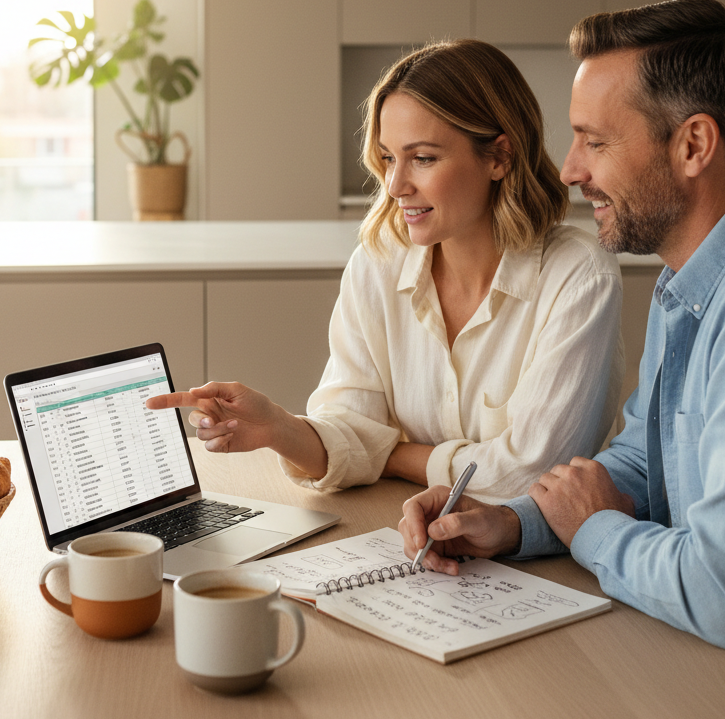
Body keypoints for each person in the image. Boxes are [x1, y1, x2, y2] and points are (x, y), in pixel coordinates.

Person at [398, 0, 725, 719]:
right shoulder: (693, 278)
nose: (568, 169)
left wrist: (593, 532)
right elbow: (646, 469)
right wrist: (514, 524)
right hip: (723, 689)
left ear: (693, 144)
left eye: (594, 140)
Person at [147, 38, 624, 503]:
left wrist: (393, 456)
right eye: (389, 158)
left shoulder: (578, 277)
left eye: (422, 158)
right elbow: (351, 430)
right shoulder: (377, 263)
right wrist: (279, 427)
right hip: (410, 534)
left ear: (499, 156)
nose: (396, 185)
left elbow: (530, 477)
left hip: (539, 562)